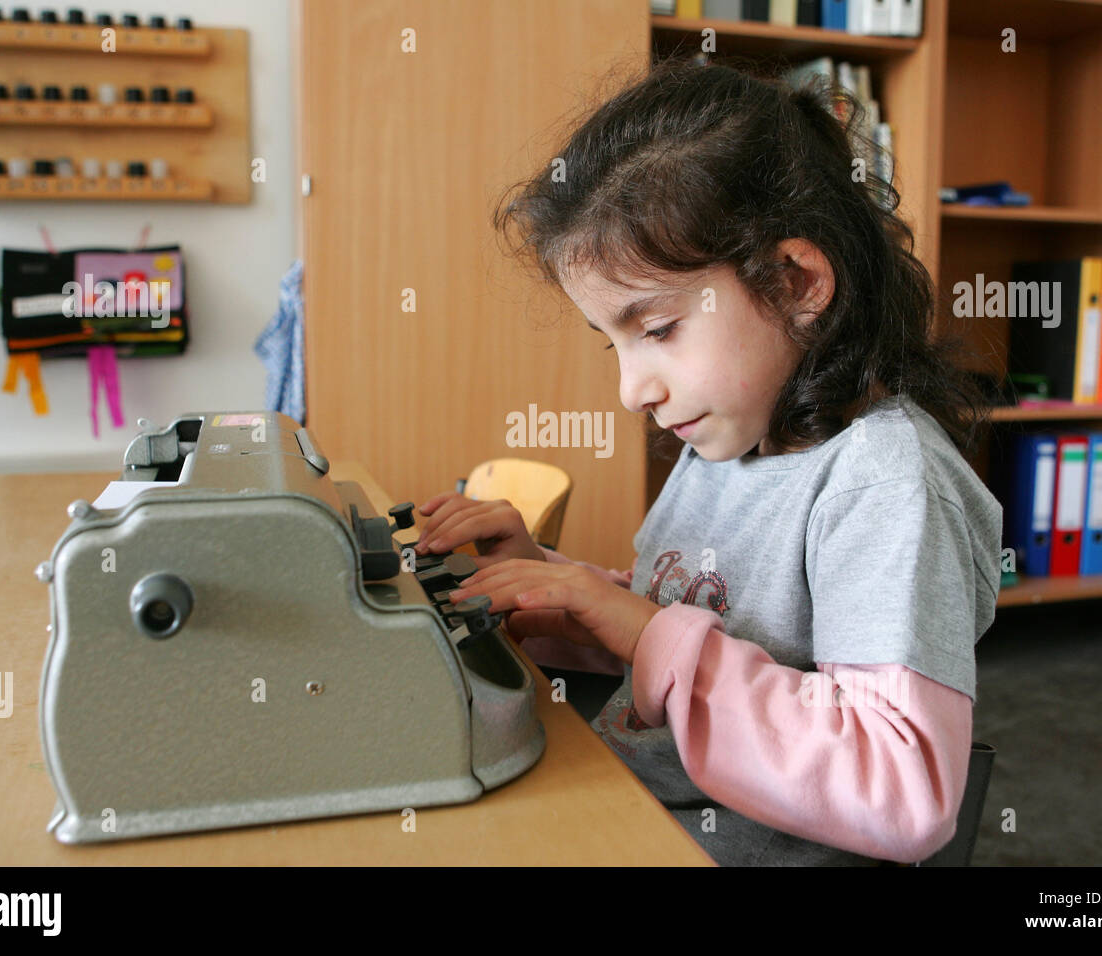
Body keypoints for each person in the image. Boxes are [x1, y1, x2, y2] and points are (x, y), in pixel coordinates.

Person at [414, 57, 1002, 866]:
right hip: (642, 812)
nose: (630, 390)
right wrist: (553, 590)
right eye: (612, 343)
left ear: (795, 281)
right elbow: (697, 621)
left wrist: (644, 629)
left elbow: (902, 788)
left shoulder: (884, 483)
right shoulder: (734, 435)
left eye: (655, 330)